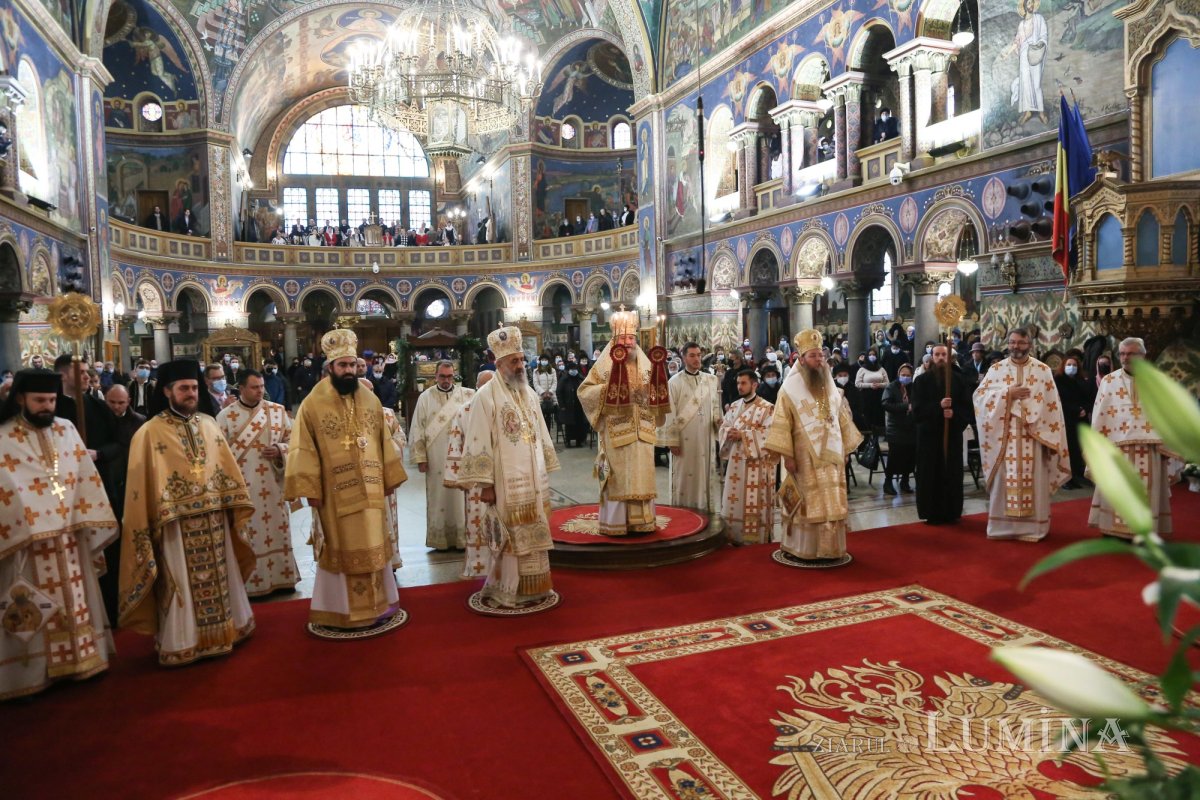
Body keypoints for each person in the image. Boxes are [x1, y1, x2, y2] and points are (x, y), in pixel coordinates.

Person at [119, 360, 257, 666]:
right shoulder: (149, 433)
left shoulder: (208, 424)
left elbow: (225, 468)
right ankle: (184, 641)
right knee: (180, 579)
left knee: (223, 575)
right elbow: (141, 488)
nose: (191, 393)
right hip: (174, 526)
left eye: (194, 388)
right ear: (167, 391)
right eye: (183, 388)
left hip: (215, 518)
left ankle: (228, 630)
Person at [0, 369, 118, 700]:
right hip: (28, 542)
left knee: (75, 597)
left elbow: (84, 476)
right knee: (30, 603)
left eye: (51, 400)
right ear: (20, 399)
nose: (47, 407)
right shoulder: (4, 438)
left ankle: (82, 659)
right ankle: (32, 672)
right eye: (39, 400)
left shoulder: (67, 430)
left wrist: (83, 516)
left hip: (68, 536)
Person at [284, 329, 407, 631]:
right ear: (330, 367)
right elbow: (303, 447)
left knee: (374, 544)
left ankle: (379, 606)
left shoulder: (370, 400)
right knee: (340, 550)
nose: (349, 370)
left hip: (372, 491)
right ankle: (340, 611)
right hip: (334, 495)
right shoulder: (313, 403)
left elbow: (383, 441)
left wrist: (389, 478)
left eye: (352, 364)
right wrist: (310, 490)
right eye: (343, 365)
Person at [457, 327, 560, 608]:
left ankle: (536, 587)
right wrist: (486, 485)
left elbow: (540, 430)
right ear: (499, 363)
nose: (520, 366)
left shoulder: (528, 393)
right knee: (510, 535)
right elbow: (478, 440)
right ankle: (507, 589)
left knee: (534, 529)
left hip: (533, 478)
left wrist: (545, 463)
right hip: (505, 482)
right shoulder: (485, 396)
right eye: (514, 361)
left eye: (522, 360)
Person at [766, 330, 863, 562]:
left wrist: (845, 449)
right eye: (813, 356)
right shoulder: (788, 389)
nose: (819, 360)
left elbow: (839, 418)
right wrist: (788, 457)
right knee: (808, 502)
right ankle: (804, 549)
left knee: (830, 500)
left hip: (832, 455)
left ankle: (831, 548)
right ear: (801, 359)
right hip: (803, 457)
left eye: (821, 355)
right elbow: (781, 425)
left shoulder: (829, 384)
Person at [577, 308, 670, 535]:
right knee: (619, 478)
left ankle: (642, 522)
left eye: (631, 338)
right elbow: (584, 391)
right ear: (614, 341)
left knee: (641, 477)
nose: (628, 343)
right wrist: (609, 390)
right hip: (616, 432)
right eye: (624, 339)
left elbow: (656, 392)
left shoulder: (646, 363)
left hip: (642, 433)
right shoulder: (604, 365)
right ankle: (616, 523)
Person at [973, 328, 1070, 541]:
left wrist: (1039, 426)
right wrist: (1007, 393)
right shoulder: (996, 369)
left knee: (1034, 481)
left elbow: (1052, 405)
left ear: (1030, 344)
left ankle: (1034, 529)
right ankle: (1003, 528)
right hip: (1004, 438)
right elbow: (979, 398)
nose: (1015, 346)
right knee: (1003, 482)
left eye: (1020, 342)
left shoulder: (1043, 371)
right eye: (1012, 342)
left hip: (1034, 437)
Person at [1088, 337, 1183, 540]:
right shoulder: (1109, 381)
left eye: (1130, 353)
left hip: (1150, 449)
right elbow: (1099, 415)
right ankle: (1114, 530)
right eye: (1122, 354)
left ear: (1143, 355)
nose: (1125, 358)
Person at [216, 371, 299, 596]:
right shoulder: (225, 416)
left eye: (262, 386)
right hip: (243, 488)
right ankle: (252, 583)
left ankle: (283, 578)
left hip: (273, 486)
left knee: (278, 530)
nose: (260, 391)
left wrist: (281, 450)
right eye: (254, 387)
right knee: (248, 534)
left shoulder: (277, 411)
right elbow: (218, 454)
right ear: (241, 388)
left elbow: (294, 442)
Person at [408, 360, 474, 550]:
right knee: (438, 496)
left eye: (450, 376)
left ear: (454, 376)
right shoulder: (425, 398)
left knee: (460, 497)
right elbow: (417, 428)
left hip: (461, 455)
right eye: (442, 376)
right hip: (435, 456)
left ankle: (462, 538)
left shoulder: (467, 395)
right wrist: (420, 457)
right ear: (435, 376)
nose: (446, 380)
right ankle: (441, 540)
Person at [911, 344, 974, 525]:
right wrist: (938, 407)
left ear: (949, 358)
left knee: (952, 473)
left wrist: (954, 414)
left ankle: (951, 511)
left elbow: (967, 408)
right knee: (929, 474)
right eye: (937, 354)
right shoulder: (921, 381)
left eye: (943, 355)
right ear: (931, 357)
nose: (940, 358)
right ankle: (931, 512)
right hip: (929, 438)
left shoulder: (959, 380)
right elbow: (917, 411)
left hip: (951, 436)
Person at [98, 384, 145, 621]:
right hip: (107, 491)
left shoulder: (140, 422)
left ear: (129, 402)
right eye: (112, 402)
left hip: (131, 488)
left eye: (121, 403)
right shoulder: (99, 420)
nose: (116, 407)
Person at [657, 342, 721, 512]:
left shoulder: (711, 380)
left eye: (699, 355)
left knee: (704, 474)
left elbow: (715, 406)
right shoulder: (674, 382)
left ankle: (705, 511)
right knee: (684, 477)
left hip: (706, 437)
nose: (696, 359)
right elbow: (669, 412)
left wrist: (718, 421)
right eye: (692, 355)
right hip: (684, 440)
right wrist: (672, 441)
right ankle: (683, 513)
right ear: (684, 358)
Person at [718, 368, 777, 545]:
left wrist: (743, 435)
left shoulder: (767, 408)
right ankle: (733, 536)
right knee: (735, 500)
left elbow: (769, 434)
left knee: (754, 501)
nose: (739, 387)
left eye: (743, 383)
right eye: (738, 383)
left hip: (755, 466)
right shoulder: (734, 406)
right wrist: (727, 432)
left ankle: (754, 540)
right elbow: (724, 426)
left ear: (754, 385)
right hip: (736, 463)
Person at [444, 371, 491, 579]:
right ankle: (478, 566)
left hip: (503, 477)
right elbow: (455, 442)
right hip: (475, 481)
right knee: (477, 521)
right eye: (484, 386)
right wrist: (457, 477)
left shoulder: (505, 407)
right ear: (477, 387)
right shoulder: (464, 411)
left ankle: (504, 569)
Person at [1054, 354, 1094, 489]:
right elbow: (1059, 401)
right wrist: (1077, 410)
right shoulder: (1058, 380)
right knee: (1067, 449)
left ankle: (1077, 474)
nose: (1072, 367)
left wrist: (1085, 409)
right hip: (1066, 420)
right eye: (1069, 365)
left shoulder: (1081, 380)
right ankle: (1065, 479)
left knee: (1078, 449)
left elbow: (1088, 398)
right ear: (1063, 366)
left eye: (1074, 365)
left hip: (1080, 420)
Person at [854, 347, 888, 430]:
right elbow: (857, 384)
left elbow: (887, 383)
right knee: (868, 416)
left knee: (878, 417)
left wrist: (879, 385)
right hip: (866, 396)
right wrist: (870, 385)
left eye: (874, 355)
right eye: (870, 355)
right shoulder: (862, 369)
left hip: (879, 395)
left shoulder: (881, 369)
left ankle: (878, 434)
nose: (872, 356)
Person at [556, 360, 588, 447]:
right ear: (568, 370)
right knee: (569, 425)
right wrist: (562, 405)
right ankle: (568, 441)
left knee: (579, 424)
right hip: (568, 406)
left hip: (579, 406)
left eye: (575, 369)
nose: (573, 371)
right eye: (572, 369)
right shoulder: (564, 379)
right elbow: (559, 392)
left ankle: (579, 441)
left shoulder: (581, 378)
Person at [532, 356, 558, 429]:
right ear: (540, 361)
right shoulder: (536, 371)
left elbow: (555, 382)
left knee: (548, 418)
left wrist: (550, 392)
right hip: (540, 397)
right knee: (541, 418)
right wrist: (543, 393)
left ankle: (548, 433)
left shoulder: (552, 370)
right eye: (543, 360)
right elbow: (536, 383)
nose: (544, 361)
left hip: (551, 397)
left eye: (545, 360)